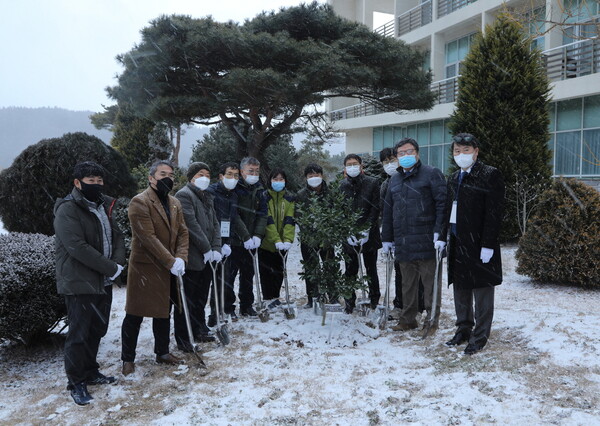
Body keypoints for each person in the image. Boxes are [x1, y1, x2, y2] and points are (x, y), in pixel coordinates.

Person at [54, 161, 126, 405]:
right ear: (77, 183)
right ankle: (76, 382)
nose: (96, 185)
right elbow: (77, 248)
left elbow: (117, 235)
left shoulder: (105, 204)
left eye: (99, 181)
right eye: (90, 181)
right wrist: (111, 267)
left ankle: (91, 370)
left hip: (102, 280)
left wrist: (117, 264)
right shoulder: (67, 209)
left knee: (97, 328)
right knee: (79, 333)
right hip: (79, 281)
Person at [438, 133, 504, 355]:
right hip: (458, 240)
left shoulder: (489, 175)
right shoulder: (454, 177)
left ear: (476, 151)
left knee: (482, 290)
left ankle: (480, 336)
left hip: (480, 243)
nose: (461, 155)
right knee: (461, 288)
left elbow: (494, 213)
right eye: (457, 151)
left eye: (466, 150)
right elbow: (448, 209)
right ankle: (463, 328)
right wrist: (442, 236)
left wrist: (488, 244)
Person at [121, 160, 189, 376]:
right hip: (146, 267)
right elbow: (147, 237)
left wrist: (181, 258)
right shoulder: (139, 202)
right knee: (135, 314)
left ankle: (162, 352)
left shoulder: (175, 203)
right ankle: (127, 359)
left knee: (163, 311)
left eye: (170, 174)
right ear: (151, 178)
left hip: (168, 267)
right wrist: (171, 261)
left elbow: (183, 233)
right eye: (162, 174)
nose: (167, 178)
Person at [381, 138, 447, 332]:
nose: (405, 156)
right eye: (401, 153)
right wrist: (387, 238)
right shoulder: (394, 180)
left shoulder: (431, 174)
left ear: (417, 154)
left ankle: (431, 319)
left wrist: (440, 233)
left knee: (430, 285)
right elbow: (388, 211)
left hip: (427, 240)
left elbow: (442, 204)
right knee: (407, 285)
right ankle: (408, 318)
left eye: (409, 152)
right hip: (403, 240)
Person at [174, 162, 221, 350]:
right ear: (191, 177)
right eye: (201, 174)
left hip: (207, 257)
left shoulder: (207, 196)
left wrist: (216, 247)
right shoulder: (184, 195)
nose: (205, 178)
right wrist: (206, 248)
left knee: (201, 296)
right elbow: (191, 225)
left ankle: (199, 328)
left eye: (208, 175)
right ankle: (184, 336)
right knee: (188, 299)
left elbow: (215, 223)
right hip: (193, 256)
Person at [379, 148, 425, 318]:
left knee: (416, 271)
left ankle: (418, 307)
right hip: (397, 234)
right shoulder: (386, 184)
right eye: (385, 162)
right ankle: (399, 304)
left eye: (392, 159)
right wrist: (387, 237)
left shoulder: (415, 179)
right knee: (400, 271)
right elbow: (385, 212)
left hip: (415, 232)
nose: (389, 164)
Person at [340, 154, 382, 313]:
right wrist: (348, 230)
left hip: (369, 235)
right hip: (349, 236)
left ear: (361, 166)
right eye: (349, 164)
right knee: (350, 269)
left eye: (355, 164)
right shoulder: (341, 186)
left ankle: (374, 300)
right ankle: (349, 301)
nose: (352, 167)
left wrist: (367, 228)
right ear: (345, 169)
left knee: (371, 268)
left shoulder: (372, 183)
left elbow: (375, 207)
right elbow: (341, 210)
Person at [206, 162, 244, 325]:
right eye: (229, 174)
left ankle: (220, 311)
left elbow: (232, 220)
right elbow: (209, 221)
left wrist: (227, 243)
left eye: (236, 176)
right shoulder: (210, 193)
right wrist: (216, 245)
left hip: (226, 244)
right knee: (208, 281)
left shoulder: (234, 195)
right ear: (221, 176)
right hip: (209, 245)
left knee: (223, 280)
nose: (233, 178)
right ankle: (209, 317)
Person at [229, 157, 268, 317]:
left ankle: (246, 306)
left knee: (248, 274)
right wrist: (245, 236)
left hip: (252, 241)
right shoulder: (234, 188)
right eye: (250, 171)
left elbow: (263, 214)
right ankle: (228, 307)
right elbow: (234, 215)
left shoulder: (259, 189)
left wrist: (258, 235)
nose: (254, 174)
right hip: (235, 241)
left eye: (256, 171)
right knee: (229, 277)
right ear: (242, 171)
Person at [295, 163, 335, 308]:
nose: (314, 178)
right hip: (308, 239)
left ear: (321, 175)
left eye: (316, 175)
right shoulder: (301, 195)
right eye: (310, 176)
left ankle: (333, 295)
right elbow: (298, 216)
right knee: (311, 268)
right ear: (306, 178)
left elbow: (335, 213)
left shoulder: (330, 193)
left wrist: (326, 230)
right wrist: (310, 230)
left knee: (329, 266)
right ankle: (313, 297)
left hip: (327, 238)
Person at [259, 168, 296, 310]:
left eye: (281, 179)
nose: (278, 182)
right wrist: (275, 239)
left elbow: (289, 219)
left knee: (279, 271)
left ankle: (275, 297)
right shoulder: (264, 196)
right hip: (266, 243)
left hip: (283, 244)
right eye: (275, 179)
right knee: (266, 272)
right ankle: (267, 298)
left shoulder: (289, 198)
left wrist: (287, 239)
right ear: (270, 181)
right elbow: (267, 220)